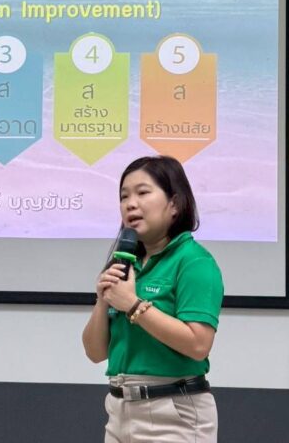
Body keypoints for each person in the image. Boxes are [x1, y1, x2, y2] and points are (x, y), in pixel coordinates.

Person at [82, 155, 224, 442]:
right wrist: (104, 299)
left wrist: (133, 305)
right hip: (119, 409)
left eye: (142, 193)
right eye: (124, 196)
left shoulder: (194, 261)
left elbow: (198, 345)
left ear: (175, 204)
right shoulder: (127, 264)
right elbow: (95, 352)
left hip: (173, 411)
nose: (130, 204)